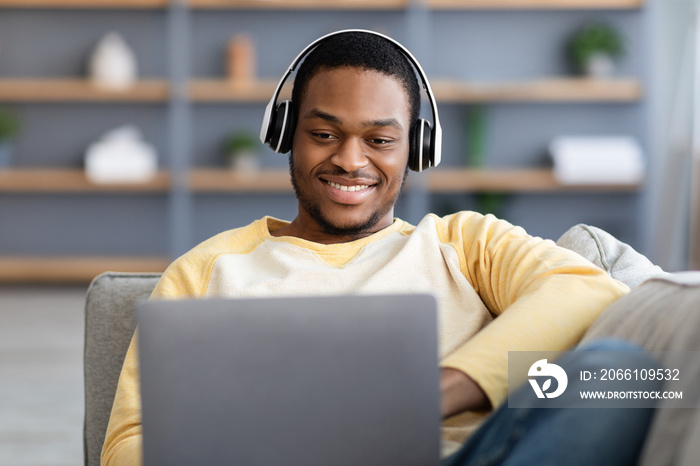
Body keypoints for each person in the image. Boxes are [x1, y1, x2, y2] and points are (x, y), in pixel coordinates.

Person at [101, 30, 644, 465]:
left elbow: (586, 288)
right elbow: (126, 445)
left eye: (380, 140)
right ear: (287, 133)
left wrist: (432, 394)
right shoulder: (204, 272)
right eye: (324, 133)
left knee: (619, 372)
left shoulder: (467, 242)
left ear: (416, 147)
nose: (351, 161)